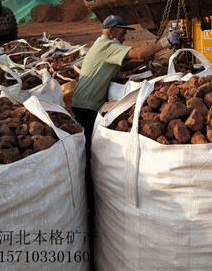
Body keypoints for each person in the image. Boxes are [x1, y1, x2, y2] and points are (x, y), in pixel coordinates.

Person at [71, 14, 179, 269]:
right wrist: (164, 43)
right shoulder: (106, 44)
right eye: (122, 31)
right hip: (87, 107)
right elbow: (137, 53)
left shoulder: (108, 48)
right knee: (89, 151)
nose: (124, 35)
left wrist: (146, 63)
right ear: (110, 31)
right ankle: (89, 191)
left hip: (89, 105)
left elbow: (123, 66)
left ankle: (92, 185)